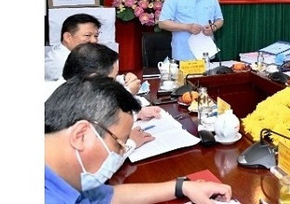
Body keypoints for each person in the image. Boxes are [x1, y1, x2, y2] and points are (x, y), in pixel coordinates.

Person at [45, 75, 232, 204]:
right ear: (81, 135)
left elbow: (109, 197)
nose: (121, 152)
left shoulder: (68, 176)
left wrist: (183, 187)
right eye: (119, 143)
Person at [49, 42, 158, 148]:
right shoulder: (66, 103)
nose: (115, 83)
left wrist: (136, 114)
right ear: (94, 77)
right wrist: (129, 143)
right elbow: (96, 156)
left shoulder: (73, 89)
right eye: (113, 79)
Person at [45, 13, 101, 81]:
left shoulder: (79, 55)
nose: (94, 40)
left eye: (96, 36)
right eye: (87, 35)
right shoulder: (59, 63)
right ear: (67, 37)